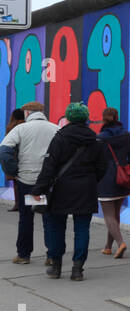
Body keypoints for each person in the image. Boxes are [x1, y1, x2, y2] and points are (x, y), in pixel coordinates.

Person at [32, 103, 108, 281]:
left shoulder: (60, 138)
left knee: (56, 226)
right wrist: (90, 180)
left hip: (60, 189)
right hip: (86, 189)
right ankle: (77, 268)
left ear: (68, 118)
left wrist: (38, 189)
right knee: (82, 229)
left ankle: (56, 266)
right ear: (86, 118)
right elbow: (102, 167)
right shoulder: (95, 140)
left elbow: (49, 167)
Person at [0, 102, 60, 265]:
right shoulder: (55, 128)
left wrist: (14, 171)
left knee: (26, 217)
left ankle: (24, 254)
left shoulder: (20, 129)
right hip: (47, 182)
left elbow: (4, 151)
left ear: (27, 113)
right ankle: (51, 255)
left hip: (27, 181)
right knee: (48, 217)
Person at [96, 107, 130, 258]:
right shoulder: (128, 135)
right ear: (117, 117)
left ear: (103, 118)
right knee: (115, 215)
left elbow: (96, 160)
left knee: (108, 215)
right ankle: (108, 246)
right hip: (123, 180)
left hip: (105, 180)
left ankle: (121, 244)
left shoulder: (100, 138)